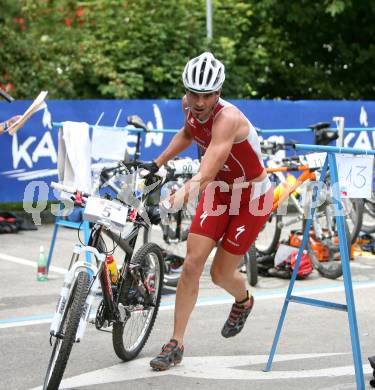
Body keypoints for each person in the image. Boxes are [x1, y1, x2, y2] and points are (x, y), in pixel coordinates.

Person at [142, 52, 273, 371]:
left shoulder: (228, 118)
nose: (199, 102)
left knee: (220, 274)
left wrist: (180, 195)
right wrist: (156, 164)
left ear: (219, 92)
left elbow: (206, 172)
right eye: (193, 94)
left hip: (250, 197)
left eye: (207, 95)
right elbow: (188, 134)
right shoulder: (188, 107)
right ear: (186, 91)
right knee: (191, 264)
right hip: (219, 193)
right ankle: (176, 342)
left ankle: (243, 301)